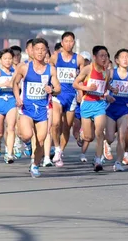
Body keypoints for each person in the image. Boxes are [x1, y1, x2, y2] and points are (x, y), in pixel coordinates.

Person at [13, 38, 61, 178]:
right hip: (27, 108)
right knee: (27, 135)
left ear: (46, 51)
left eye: (43, 49)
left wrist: (51, 89)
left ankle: (35, 164)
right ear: (31, 51)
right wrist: (17, 98)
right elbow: (15, 84)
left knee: (41, 140)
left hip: (42, 110)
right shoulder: (24, 67)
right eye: (37, 49)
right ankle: (22, 140)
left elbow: (58, 88)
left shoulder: (50, 69)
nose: (40, 52)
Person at [74, 45, 113, 171]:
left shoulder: (106, 72)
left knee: (99, 132)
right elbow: (75, 83)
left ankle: (98, 160)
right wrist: (86, 89)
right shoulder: (87, 69)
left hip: (99, 104)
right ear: (95, 57)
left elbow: (105, 86)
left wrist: (111, 91)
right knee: (89, 137)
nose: (104, 58)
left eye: (106, 56)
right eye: (101, 56)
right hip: (87, 104)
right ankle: (82, 135)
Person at [50, 32, 80, 168]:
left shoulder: (78, 59)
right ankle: (56, 148)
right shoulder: (55, 58)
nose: (68, 43)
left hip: (71, 96)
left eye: (71, 41)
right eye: (66, 41)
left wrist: (81, 90)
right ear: (62, 43)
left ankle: (60, 151)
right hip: (58, 94)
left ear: (74, 43)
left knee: (66, 127)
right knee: (55, 123)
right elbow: (47, 73)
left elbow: (83, 76)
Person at [106, 49, 128, 171]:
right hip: (110, 109)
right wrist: (107, 95)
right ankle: (105, 144)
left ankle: (118, 162)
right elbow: (102, 87)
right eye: (122, 57)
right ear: (117, 60)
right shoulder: (111, 73)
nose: (125, 59)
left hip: (123, 109)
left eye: (127, 57)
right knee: (110, 138)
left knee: (122, 136)